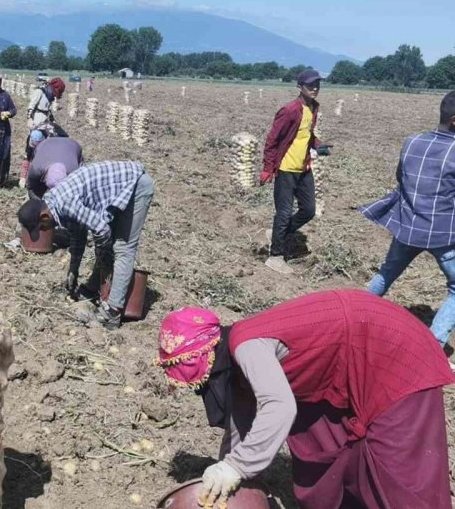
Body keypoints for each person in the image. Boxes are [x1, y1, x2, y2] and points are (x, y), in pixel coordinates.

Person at [155, 290, 455, 508]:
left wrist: (237, 467)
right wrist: (229, 470)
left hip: (392, 351)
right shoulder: (234, 361)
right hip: (349, 360)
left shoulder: (248, 347)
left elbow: (280, 407)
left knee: (402, 476)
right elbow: (241, 421)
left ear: (209, 355)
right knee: (321, 444)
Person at [360, 91, 455, 361]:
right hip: (443, 234)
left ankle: (358, 313)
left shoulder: (411, 141)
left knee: (387, 273)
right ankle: (433, 348)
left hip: (409, 226)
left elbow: (401, 178)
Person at [17, 161, 154, 326]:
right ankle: (93, 288)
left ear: (44, 217)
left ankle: (112, 312)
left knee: (122, 247)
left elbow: (101, 229)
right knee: (106, 248)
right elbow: (78, 234)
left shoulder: (65, 203)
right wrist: (73, 270)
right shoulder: (52, 203)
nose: (45, 231)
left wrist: (103, 254)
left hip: (134, 185)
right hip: (116, 191)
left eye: (42, 228)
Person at [259, 68, 326, 275]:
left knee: (309, 210)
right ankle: (275, 256)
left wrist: (318, 145)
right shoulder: (289, 110)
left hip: (304, 168)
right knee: (284, 212)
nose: (314, 89)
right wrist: (268, 168)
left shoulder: (313, 108)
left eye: (317, 85)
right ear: (300, 87)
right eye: (310, 85)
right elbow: (273, 140)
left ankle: (278, 234)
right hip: (286, 168)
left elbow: (306, 134)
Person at [20, 78, 67, 187]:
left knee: (43, 148)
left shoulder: (50, 96)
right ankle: (24, 177)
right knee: (31, 148)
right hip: (36, 122)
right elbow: (31, 106)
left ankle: (40, 176)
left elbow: (48, 110)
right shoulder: (40, 92)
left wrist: (53, 121)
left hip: (45, 123)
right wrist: (29, 118)